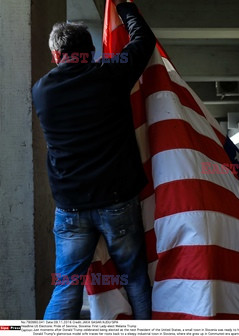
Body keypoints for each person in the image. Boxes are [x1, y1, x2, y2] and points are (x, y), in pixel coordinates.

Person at [32, 0, 156, 319]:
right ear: (90, 50)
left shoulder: (42, 91)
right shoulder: (111, 76)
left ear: (56, 55)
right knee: (136, 280)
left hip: (70, 206)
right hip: (118, 203)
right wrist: (126, 8)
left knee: (66, 287)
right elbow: (143, 41)